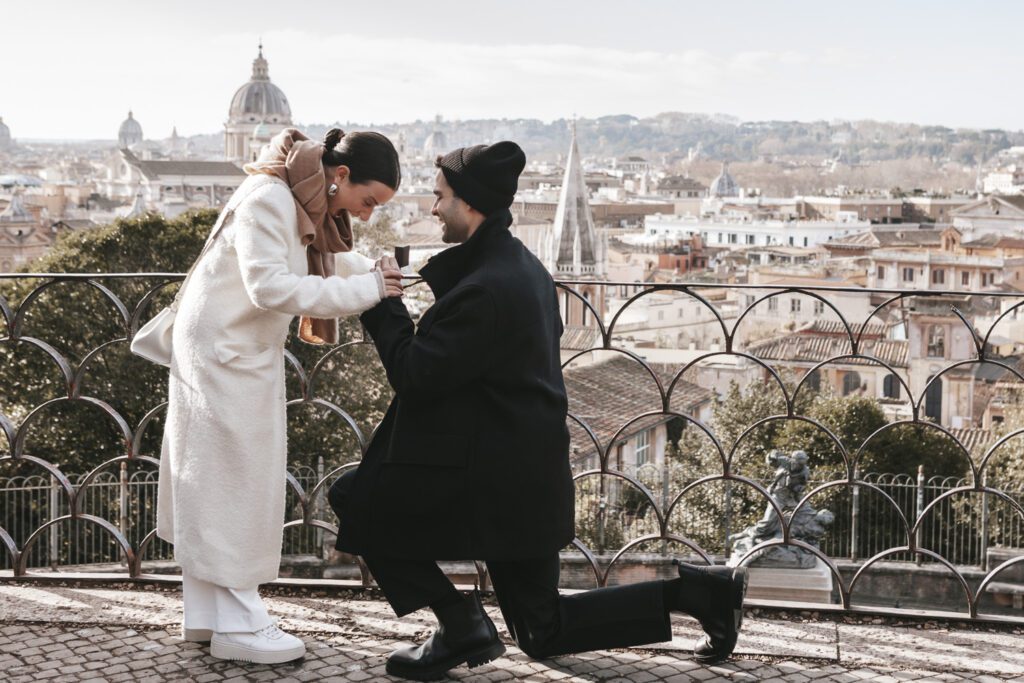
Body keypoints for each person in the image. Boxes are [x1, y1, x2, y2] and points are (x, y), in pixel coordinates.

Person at [328, 141, 748, 681]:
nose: (432, 210)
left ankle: (459, 623)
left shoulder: (488, 288)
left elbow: (417, 375)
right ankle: (701, 593)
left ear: (470, 203)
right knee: (541, 630)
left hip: (493, 483)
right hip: (522, 475)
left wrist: (382, 304)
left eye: (440, 198)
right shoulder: (518, 267)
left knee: (359, 502)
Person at [156, 127, 403, 664]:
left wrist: (372, 270)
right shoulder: (270, 198)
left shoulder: (295, 194)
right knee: (237, 482)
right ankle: (240, 625)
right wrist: (369, 290)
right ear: (340, 176)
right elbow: (269, 284)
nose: (365, 216)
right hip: (226, 354)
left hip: (227, 349)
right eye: (367, 201)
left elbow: (311, 260)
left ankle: (206, 616)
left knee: (216, 477)